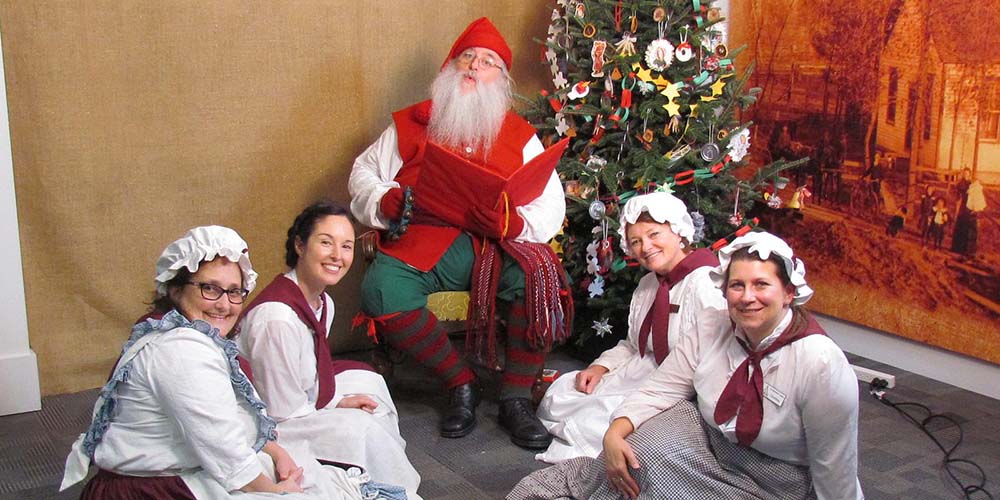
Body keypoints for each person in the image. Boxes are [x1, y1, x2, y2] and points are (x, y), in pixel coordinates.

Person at [348, 17, 571, 450]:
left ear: (500, 81)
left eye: (486, 61)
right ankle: (460, 382)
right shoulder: (411, 124)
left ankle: (515, 398)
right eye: (466, 57)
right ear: (450, 69)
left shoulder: (520, 135)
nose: (473, 66)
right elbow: (363, 173)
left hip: (492, 245)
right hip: (423, 239)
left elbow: (550, 199)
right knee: (381, 291)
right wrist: (384, 200)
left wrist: (514, 224)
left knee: (535, 280)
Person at [509, 231, 862, 500]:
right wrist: (615, 431)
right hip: (712, 441)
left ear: (788, 293)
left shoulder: (819, 363)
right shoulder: (713, 324)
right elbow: (663, 386)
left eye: (761, 285)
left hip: (778, 474)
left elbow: (835, 464)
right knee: (638, 455)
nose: (747, 296)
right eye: (737, 285)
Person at [60, 226, 387, 499]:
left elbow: (226, 419)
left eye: (234, 292)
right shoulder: (182, 351)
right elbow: (225, 452)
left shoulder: (182, 333)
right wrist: (276, 492)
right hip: (152, 490)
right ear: (175, 289)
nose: (224, 304)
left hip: (177, 470)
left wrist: (275, 452)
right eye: (209, 289)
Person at [236, 200, 421, 499]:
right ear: (299, 245)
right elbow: (282, 409)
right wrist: (334, 404)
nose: (338, 256)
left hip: (297, 396)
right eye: (326, 243)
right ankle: (396, 491)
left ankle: (377, 480)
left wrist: (336, 398)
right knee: (364, 428)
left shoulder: (323, 302)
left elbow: (308, 370)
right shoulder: (277, 319)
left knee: (371, 386)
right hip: (271, 420)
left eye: (346, 246)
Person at [534, 192, 727, 463]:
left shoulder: (706, 283)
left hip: (676, 382)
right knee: (562, 393)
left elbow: (710, 358)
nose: (645, 247)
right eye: (636, 241)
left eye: (654, 234)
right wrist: (600, 367)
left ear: (679, 232)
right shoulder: (648, 285)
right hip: (640, 368)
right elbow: (633, 343)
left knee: (598, 416)